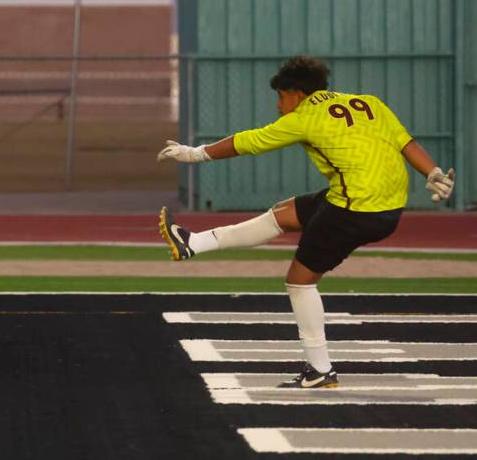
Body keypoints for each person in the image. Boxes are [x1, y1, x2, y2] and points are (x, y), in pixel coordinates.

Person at [157, 55, 455, 388]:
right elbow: (406, 143)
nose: (278, 104)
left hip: (354, 209)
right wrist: (433, 172)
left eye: (280, 96)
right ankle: (194, 243)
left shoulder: (306, 117)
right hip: (383, 205)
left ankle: (320, 369)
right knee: (285, 212)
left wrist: (193, 153)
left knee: (299, 281)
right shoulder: (368, 103)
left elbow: (249, 142)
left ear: (297, 94)